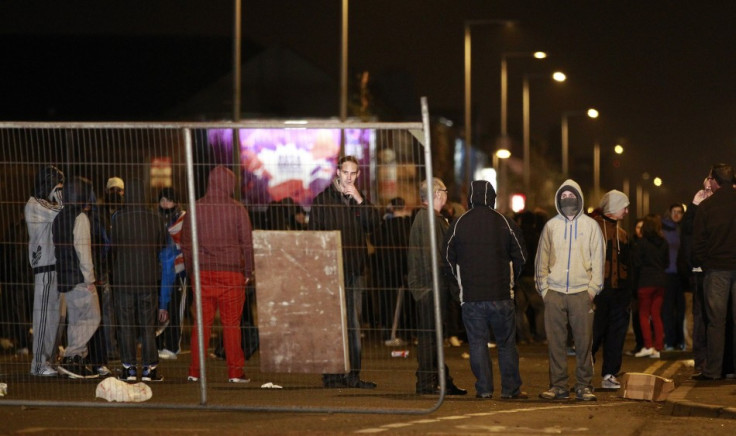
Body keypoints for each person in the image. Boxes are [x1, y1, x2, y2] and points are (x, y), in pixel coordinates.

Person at [444, 179, 527, 399]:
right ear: (492, 197)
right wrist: (511, 282)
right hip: (501, 295)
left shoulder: (458, 224)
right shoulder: (505, 223)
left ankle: (484, 389)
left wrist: (458, 288)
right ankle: (510, 390)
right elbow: (521, 257)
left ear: (470, 197)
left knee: (477, 344)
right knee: (506, 344)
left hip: (471, 297)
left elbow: (447, 260)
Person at [308, 155, 380, 389]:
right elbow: (314, 237)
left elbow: (374, 226)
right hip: (330, 271)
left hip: (355, 270)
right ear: (337, 172)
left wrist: (359, 199)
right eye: (345, 172)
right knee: (331, 323)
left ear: (358, 175)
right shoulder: (322, 201)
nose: (349, 178)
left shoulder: (359, 201)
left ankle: (353, 375)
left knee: (353, 324)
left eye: (353, 174)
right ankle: (331, 375)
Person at [180, 165, 254, 383]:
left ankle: (195, 371)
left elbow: (186, 244)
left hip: (203, 273)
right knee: (232, 324)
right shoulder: (237, 209)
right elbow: (247, 243)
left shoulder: (196, 208)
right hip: (232, 273)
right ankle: (235, 372)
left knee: (201, 323)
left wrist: (192, 269)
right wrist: (248, 270)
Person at [536, 179, 604, 402]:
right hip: (554, 292)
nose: (567, 200)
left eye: (571, 196)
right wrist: (544, 289)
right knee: (556, 343)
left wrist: (592, 290)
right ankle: (558, 386)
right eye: (563, 196)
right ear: (558, 199)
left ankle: (584, 386)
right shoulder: (551, 226)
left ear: (579, 197)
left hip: (581, 293)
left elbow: (598, 260)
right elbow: (541, 260)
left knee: (584, 343)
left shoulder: (591, 226)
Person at [407, 178, 466, 396]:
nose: (446, 194)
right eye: (444, 190)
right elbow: (434, 259)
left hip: (430, 287)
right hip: (430, 288)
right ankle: (427, 382)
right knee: (429, 338)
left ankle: (441, 379)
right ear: (436, 194)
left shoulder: (430, 219)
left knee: (432, 336)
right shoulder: (429, 220)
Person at [111, 178, 166, 382]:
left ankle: (129, 368)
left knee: (126, 325)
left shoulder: (119, 218)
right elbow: (161, 243)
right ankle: (151, 369)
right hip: (147, 278)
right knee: (147, 325)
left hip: (124, 278)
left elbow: (113, 247)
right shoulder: (154, 218)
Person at [53, 176, 101, 379]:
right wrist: (90, 278)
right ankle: (73, 357)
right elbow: (83, 250)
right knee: (92, 317)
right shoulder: (80, 217)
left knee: (76, 320)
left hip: (63, 275)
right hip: (79, 276)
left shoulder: (58, 215)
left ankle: (77, 359)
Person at [692, 163, 736, 380]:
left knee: (716, 322)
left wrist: (704, 262)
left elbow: (698, 243)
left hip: (717, 269)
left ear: (714, 181)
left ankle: (713, 370)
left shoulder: (707, 207)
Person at [25, 165, 65, 376]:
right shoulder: (35, 203)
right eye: (57, 183)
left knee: (56, 319)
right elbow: (63, 212)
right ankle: (38, 364)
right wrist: (58, 194)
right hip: (43, 268)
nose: (60, 188)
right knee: (42, 319)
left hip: (56, 267)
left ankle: (50, 360)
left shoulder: (46, 204)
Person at [591, 190, 631, 390]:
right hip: (597, 293)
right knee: (593, 334)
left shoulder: (622, 234)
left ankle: (609, 374)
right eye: (624, 206)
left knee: (616, 336)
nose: (627, 211)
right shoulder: (593, 229)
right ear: (614, 208)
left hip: (618, 294)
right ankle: (585, 374)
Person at [372, 197, 414, 343]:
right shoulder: (408, 225)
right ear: (403, 207)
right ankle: (403, 332)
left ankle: (389, 330)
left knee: (388, 301)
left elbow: (375, 242)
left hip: (387, 270)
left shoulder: (384, 226)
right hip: (404, 269)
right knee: (404, 302)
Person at [681, 178, 712, 374]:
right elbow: (687, 234)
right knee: (700, 317)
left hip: (717, 268)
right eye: (705, 188)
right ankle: (702, 362)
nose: (707, 192)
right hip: (700, 271)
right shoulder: (697, 206)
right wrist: (693, 206)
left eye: (711, 188)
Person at [157, 188, 187, 360]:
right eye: (162, 200)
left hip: (178, 270)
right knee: (162, 308)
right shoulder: (157, 219)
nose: (165, 204)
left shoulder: (183, 218)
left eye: (169, 200)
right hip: (161, 269)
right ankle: (160, 343)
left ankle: (173, 346)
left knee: (175, 308)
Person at [632, 214, 669, 359]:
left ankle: (648, 346)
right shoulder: (664, 243)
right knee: (656, 315)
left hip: (645, 282)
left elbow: (637, 264)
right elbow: (666, 263)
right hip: (660, 282)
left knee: (644, 315)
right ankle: (658, 347)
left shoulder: (642, 243)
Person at [513, 209, 547, 344]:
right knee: (540, 307)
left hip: (520, 276)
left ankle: (524, 336)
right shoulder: (536, 237)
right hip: (532, 276)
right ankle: (540, 335)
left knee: (519, 308)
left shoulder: (517, 236)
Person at [661, 203, 686, 351]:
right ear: (669, 213)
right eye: (674, 212)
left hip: (681, 275)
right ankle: (669, 341)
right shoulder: (663, 229)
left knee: (681, 310)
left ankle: (680, 340)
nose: (676, 215)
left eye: (679, 212)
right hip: (667, 274)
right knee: (668, 309)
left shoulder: (683, 229)